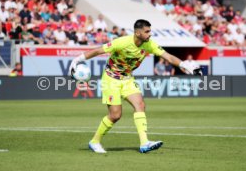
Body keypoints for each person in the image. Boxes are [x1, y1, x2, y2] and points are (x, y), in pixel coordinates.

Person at [69, 19, 199, 154]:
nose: (150, 34)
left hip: (127, 79)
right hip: (111, 79)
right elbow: (98, 51)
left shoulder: (149, 44)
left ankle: (144, 143)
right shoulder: (122, 42)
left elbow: (168, 57)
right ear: (137, 33)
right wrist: (77, 60)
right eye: (147, 31)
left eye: (150, 31)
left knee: (140, 105)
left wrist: (185, 65)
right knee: (115, 115)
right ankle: (95, 141)